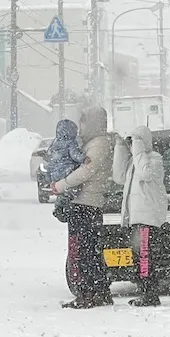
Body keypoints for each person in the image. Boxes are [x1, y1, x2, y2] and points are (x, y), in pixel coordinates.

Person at [50, 106, 114, 309]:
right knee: (90, 249)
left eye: (85, 120)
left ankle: (89, 293)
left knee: (86, 251)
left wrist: (62, 184)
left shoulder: (98, 144)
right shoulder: (91, 143)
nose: (82, 125)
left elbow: (87, 171)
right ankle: (98, 291)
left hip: (87, 202)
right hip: (84, 202)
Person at [121, 127, 169, 307]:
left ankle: (150, 294)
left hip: (147, 218)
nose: (132, 146)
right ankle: (145, 291)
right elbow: (119, 177)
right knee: (139, 257)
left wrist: (139, 148)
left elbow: (146, 174)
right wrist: (120, 146)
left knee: (145, 257)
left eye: (133, 142)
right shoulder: (137, 162)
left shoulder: (154, 160)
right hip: (136, 218)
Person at [43, 119, 84, 220]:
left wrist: (49, 176)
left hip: (56, 173)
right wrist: (84, 157)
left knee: (63, 190)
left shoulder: (55, 142)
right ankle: (61, 205)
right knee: (73, 190)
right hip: (67, 170)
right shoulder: (71, 142)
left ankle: (60, 207)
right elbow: (75, 155)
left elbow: (50, 160)